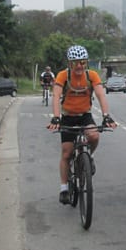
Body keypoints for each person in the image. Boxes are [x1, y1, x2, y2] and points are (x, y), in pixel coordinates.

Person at [47, 45, 116, 204]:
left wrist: (106, 116)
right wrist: (56, 118)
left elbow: (101, 95)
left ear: (86, 63)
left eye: (83, 62)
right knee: (66, 153)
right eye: (75, 63)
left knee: (94, 135)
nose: (79, 66)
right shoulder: (63, 76)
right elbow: (56, 96)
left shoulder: (92, 75)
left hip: (85, 116)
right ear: (69, 63)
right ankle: (64, 188)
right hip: (68, 117)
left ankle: (89, 156)